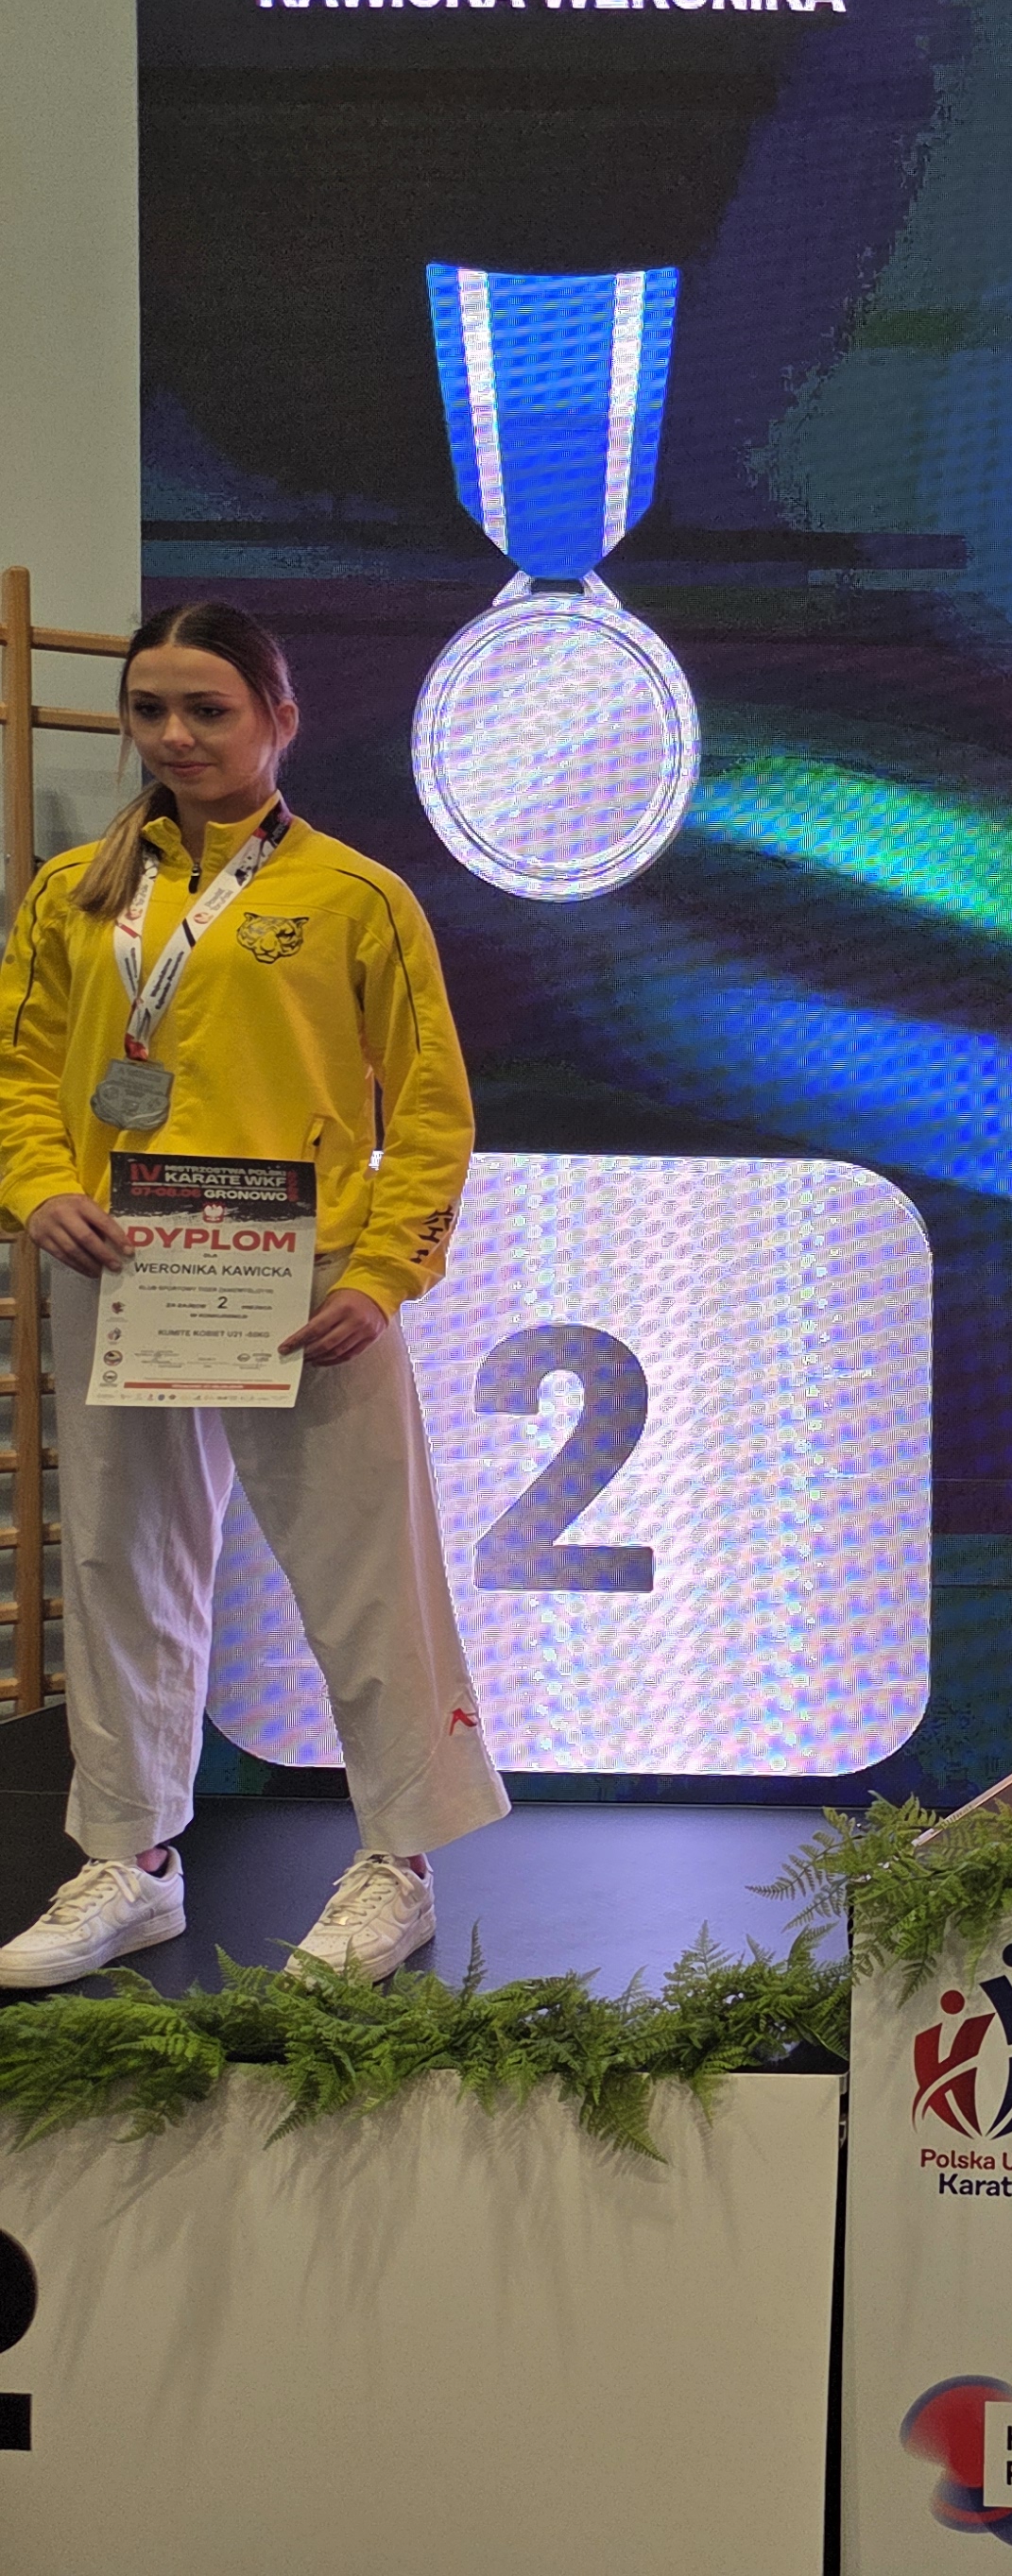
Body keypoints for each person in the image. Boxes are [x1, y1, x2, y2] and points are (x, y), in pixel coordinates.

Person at [0, 602, 499, 1992]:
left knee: (365, 1578)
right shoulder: (74, 893)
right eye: (150, 709)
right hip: (123, 1265)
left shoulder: (355, 897)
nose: (175, 735)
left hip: (307, 1281)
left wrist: (386, 1274)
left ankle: (399, 1864)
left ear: (280, 718)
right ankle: (131, 1860)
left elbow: (433, 1111)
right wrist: (38, 1188)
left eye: (208, 709)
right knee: (120, 1567)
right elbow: (22, 1072)